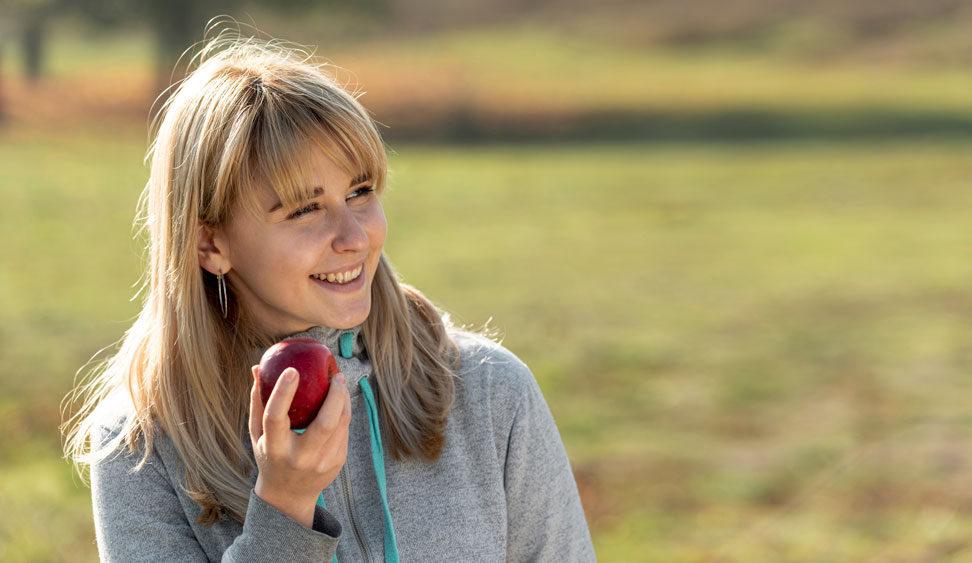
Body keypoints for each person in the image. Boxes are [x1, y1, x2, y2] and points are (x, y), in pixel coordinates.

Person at [62, 30, 595, 563]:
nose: (355, 238)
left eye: (360, 193)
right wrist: (284, 509)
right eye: (304, 210)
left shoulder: (488, 392)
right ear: (210, 243)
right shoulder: (141, 445)